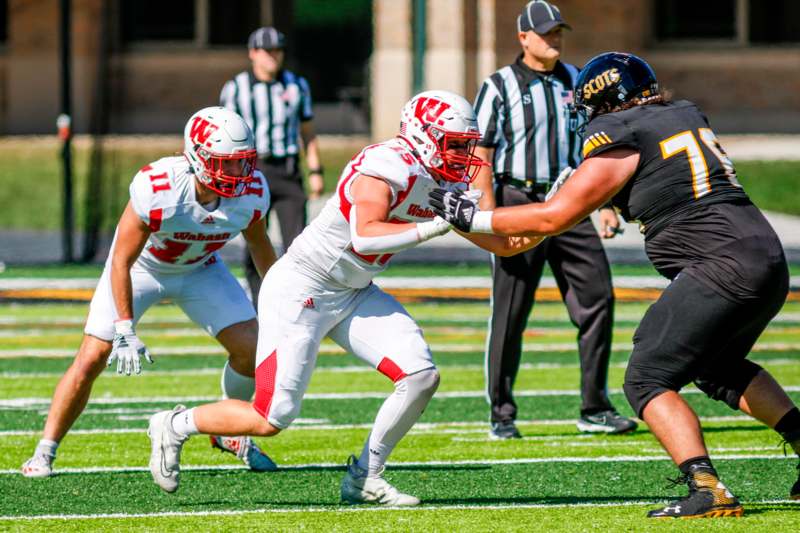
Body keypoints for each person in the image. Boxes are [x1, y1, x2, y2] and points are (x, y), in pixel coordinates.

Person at [429, 52, 800, 518]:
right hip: (763, 254)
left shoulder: (623, 135)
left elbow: (553, 215)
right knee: (718, 367)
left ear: (606, 101)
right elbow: (531, 235)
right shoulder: (678, 115)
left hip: (720, 262)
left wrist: (474, 214)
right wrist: (478, 225)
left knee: (647, 378)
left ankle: (707, 487)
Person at [145, 90, 542, 503]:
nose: (464, 153)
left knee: (421, 376)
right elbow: (365, 234)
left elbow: (504, 243)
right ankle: (175, 424)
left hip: (352, 291)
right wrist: (434, 227)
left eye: (466, 144)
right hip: (302, 288)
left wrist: (560, 215)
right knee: (271, 417)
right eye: (455, 143)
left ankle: (366, 477)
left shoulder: (444, 177)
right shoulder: (387, 165)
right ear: (424, 136)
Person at [21, 106, 279, 478]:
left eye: (242, 163)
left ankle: (228, 429)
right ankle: (45, 450)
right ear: (196, 157)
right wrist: (125, 326)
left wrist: (279, 302)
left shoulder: (252, 193)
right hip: (142, 268)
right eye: (226, 163)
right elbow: (121, 260)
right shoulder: (159, 188)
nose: (237, 174)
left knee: (252, 350)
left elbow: (260, 247)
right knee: (93, 354)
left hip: (200, 270)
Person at [472, 0, 636, 439]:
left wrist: (602, 204)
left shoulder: (578, 81)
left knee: (598, 297)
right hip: (517, 200)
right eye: (545, 33)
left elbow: (594, 147)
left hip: (569, 200)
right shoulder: (499, 85)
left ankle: (594, 406)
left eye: (559, 31)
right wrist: (487, 214)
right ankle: (501, 413)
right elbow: (482, 153)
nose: (555, 39)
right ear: (522, 37)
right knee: (510, 311)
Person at [220, 26, 324, 307]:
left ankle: (296, 304)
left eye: (277, 51)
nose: (273, 57)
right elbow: (225, 132)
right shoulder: (237, 88)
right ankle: (259, 305)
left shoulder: (295, 85)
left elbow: (307, 131)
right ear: (253, 53)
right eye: (267, 51)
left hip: (288, 171)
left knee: (298, 245)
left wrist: (315, 170)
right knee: (255, 243)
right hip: (254, 171)